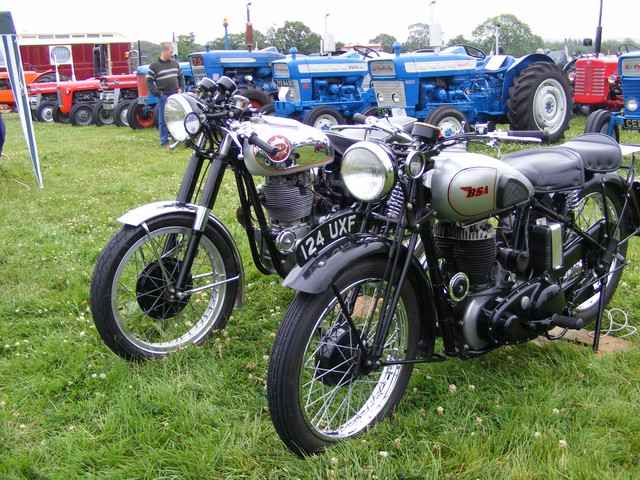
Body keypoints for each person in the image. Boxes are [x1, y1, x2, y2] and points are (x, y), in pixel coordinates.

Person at [145, 43, 185, 148]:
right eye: (170, 53)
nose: (172, 55)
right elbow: (148, 81)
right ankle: (164, 142)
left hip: (176, 94)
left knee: (177, 118)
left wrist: (181, 88)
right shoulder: (154, 66)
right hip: (164, 95)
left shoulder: (175, 64)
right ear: (164, 51)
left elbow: (181, 77)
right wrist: (157, 93)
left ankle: (179, 139)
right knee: (163, 119)